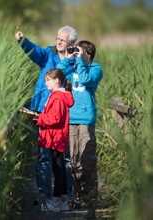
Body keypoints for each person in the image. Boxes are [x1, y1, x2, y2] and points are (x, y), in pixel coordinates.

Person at [15, 25, 78, 203]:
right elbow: (34, 52)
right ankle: (44, 193)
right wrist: (22, 41)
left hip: (63, 114)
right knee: (44, 155)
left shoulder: (75, 63)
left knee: (63, 157)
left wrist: (75, 58)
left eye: (62, 39)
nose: (58, 41)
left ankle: (65, 193)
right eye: (57, 38)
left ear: (71, 43)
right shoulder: (48, 55)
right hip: (43, 109)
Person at [57, 40, 103, 208]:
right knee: (74, 161)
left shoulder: (95, 69)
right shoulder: (74, 67)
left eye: (80, 51)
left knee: (87, 159)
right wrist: (67, 58)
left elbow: (84, 79)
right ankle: (78, 198)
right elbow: (57, 76)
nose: (77, 53)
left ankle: (90, 198)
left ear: (88, 54)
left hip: (85, 119)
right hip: (71, 119)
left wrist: (80, 60)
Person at [32, 68, 74, 212]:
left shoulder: (57, 97)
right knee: (60, 167)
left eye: (47, 80)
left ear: (57, 81)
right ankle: (63, 199)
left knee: (58, 169)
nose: (45, 83)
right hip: (57, 136)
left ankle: (55, 201)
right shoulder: (58, 96)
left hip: (55, 137)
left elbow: (55, 118)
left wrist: (39, 118)